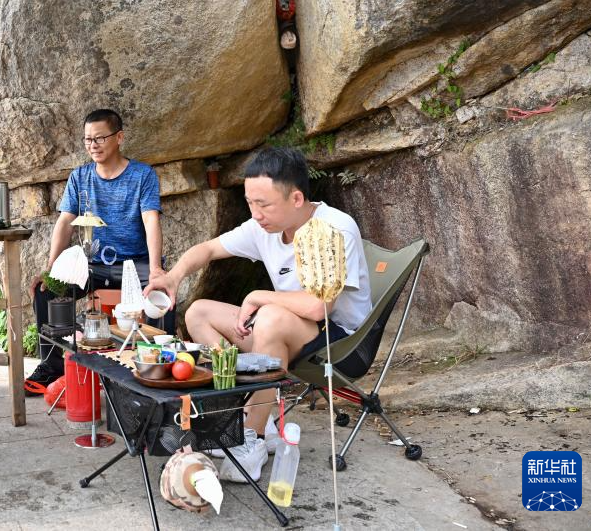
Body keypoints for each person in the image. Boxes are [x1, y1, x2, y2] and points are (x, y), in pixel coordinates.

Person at [146, 147, 371, 483]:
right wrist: (173, 277)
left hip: (339, 341)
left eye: (263, 204)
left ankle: (251, 438)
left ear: (296, 198)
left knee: (269, 317)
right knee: (199, 313)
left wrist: (257, 296)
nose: (255, 213)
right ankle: (246, 412)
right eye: (250, 203)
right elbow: (208, 249)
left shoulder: (334, 228)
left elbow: (319, 307)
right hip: (286, 331)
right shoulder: (263, 228)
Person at [23, 109, 165, 395]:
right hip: (92, 265)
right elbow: (65, 222)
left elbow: (151, 220)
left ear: (119, 137)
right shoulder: (80, 177)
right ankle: (52, 366)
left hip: (133, 265)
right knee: (46, 290)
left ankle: (156, 366)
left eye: (100, 138)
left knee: (162, 296)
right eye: (88, 139)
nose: (93, 145)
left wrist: (155, 270)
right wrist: (51, 268)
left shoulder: (142, 175)